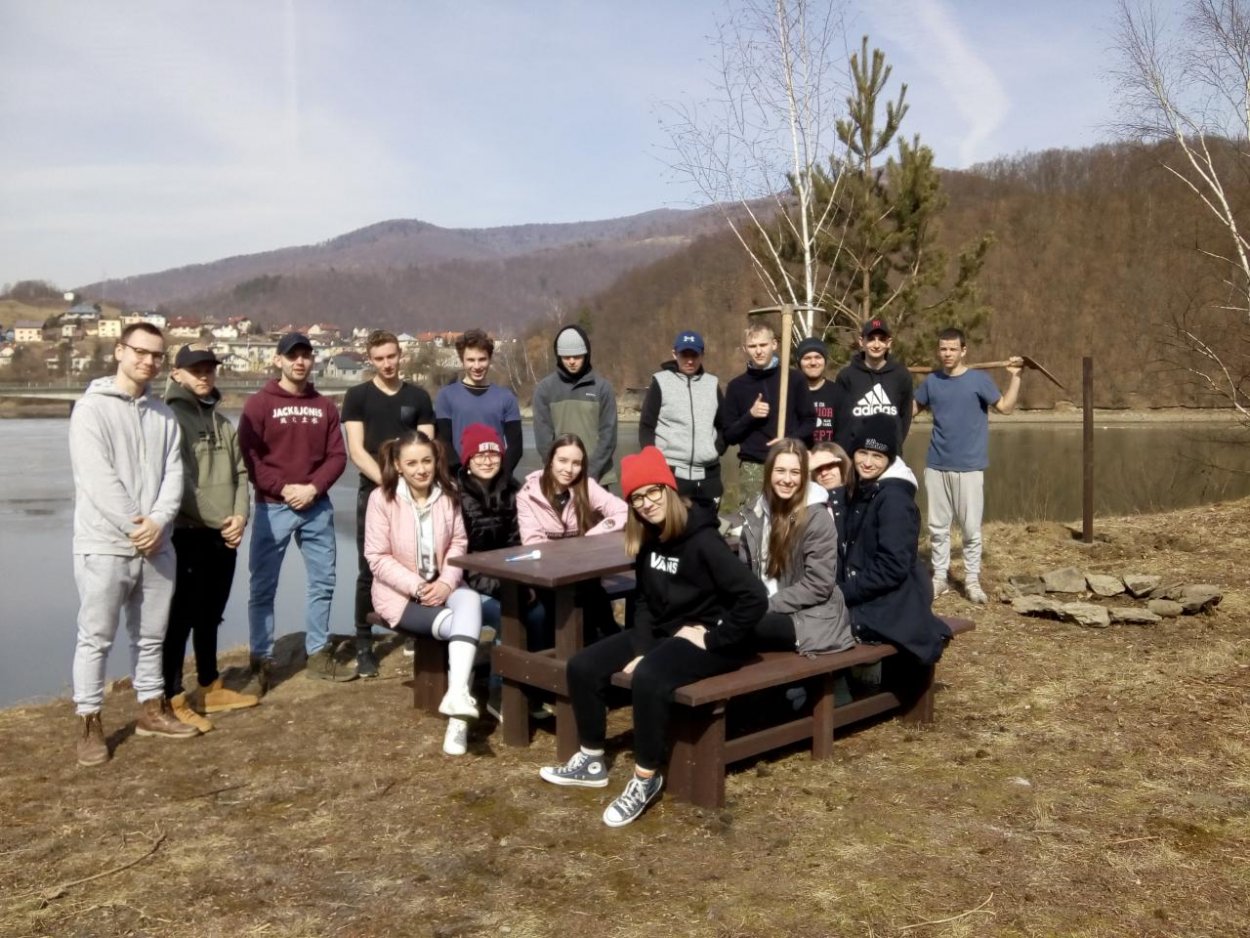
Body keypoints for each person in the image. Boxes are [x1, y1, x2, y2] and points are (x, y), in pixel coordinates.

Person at [538, 446, 768, 828]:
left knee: (648, 678)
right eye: (636, 498)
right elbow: (643, 599)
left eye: (652, 492)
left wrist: (714, 639)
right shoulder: (647, 537)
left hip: (711, 640)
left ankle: (646, 776)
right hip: (665, 633)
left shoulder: (703, 540)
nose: (645, 504)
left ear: (669, 489)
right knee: (582, 665)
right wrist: (643, 647)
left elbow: (753, 598)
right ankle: (592, 757)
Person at [70, 322, 198, 767]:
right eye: (140, 352)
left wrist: (159, 521)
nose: (148, 361)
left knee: (151, 636)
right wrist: (133, 525)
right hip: (105, 544)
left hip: (157, 545)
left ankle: (151, 709)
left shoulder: (164, 416)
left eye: (156, 355)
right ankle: (89, 720)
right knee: (96, 637)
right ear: (120, 352)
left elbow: (173, 476)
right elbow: (96, 477)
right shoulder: (90, 410)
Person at [239, 331, 350, 690]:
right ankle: (261, 659)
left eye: (305, 355)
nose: (299, 361)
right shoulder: (258, 405)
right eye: (292, 356)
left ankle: (317, 652)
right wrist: (282, 488)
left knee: (324, 581)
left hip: (316, 507)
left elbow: (337, 456)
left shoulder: (326, 407)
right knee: (263, 586)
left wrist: (313, 488)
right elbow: (250, 457)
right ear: (278, 360)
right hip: (273, 507)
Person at [364, 430, 483, 756]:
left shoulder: (449, 494)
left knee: (470, 600)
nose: (421, 469)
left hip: (444, 585)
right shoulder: (382, 499)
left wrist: (446, 582)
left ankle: (456, 695)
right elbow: (376, 557)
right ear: (399, 466)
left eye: (427, 461)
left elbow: (459, 543)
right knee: (465, 628)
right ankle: (458, 721)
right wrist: (416, 586)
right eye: (412, 463)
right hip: (400, 596)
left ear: (436, 461)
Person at [161, 343, 258, 733]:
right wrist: (223, 520)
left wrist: (240, 517)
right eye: (195, 370)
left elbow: (240, 473)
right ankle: (171, 695)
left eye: (209, 369)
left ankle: (209, 684)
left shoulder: (222, 421)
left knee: (210, 615)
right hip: (187, 534)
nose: (204, 375)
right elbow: (180, 484)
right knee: (179, 619)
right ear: (177, 374)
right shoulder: (169, 419)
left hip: (223, 533)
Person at [341, 329, 435, 677]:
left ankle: (414, 630)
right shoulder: (357, 396)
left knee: (416, 562)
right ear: (371, 359)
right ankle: (364, 643)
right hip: (376, 494)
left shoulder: (419, 396)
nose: (387, 364)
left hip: (416, 494)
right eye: (379, 358)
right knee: (370, 568)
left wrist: (411, 483)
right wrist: (390, 483)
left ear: (400, 355)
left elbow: (427, 447)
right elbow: (357, 450)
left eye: (391, 356)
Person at [912, 328, 1023, 603]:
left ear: (964, 351)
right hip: (937, 464)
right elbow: (908, 410)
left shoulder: (979, 381)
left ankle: (972, 581)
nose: (947, 354)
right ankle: (940, 578)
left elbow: (1006, 407)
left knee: (971, 529)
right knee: (938, 528)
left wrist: (1016, 377)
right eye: (943, 349)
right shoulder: (932, 382)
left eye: (952, 349)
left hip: (969, 466)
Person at [838, 414, 951, 666]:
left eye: (877, 456)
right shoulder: (866, 489)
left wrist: (842, 593)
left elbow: (892, 568)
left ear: (890, 459)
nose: (867, 462)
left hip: (887, 608)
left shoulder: (894, 501)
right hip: (871, 599)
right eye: (862, 452)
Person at [455, 422, 547, 718]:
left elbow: (519, 545)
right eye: (479, 455)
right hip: (467, 583)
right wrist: (503, 589)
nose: (486, 459)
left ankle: (534, 686)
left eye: (493, 453)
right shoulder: (455, 495)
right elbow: (460, 556)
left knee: (541, 613)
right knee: (508, 614)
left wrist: (524, 583)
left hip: (508, 575)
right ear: (467, 460)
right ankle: (500, 691)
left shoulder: (514, 489)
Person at [737, 439, 853, 656]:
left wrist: (766, 605)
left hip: (810, 616)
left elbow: (818, 584)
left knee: (742, 628)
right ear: (769, 472)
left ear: (803, 477)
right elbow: (744, 571)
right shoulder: (756, 513)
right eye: (780, 470)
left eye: (795, 472)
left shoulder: (816, 517)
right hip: (764, 605)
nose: (787, 479)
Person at [517, 433, 628, 646]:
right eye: (563, 461)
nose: (569, 469)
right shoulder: (528, 494)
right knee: (582, 601)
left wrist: (592, 536)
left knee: (592, 593)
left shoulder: (586, 486)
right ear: (550, 460)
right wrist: (575, 550)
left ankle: (608, 645)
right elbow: (534, 544)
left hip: (582, 574)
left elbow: (623, 511)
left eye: (576, 463)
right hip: (547, 577)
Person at [720, 321, 815, 492]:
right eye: (752, 346)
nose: (758, 351)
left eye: (763, 345)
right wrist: (750, 416)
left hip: (790, 462)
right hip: (754, 468)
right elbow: (729, 435)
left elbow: (810, 421)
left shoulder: (794, 379)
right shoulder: (736, 386)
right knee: (753, 517)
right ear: (745, 349)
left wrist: (790, 440)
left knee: (792, 517)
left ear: (774, 344)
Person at [638, 329, 726, 503]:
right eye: (684, 355)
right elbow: (646, 427)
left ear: (702, 355)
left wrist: (716, 449)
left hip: (708, 476)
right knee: (673, 529)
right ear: (674, 353)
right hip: (671, 473)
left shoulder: (712, 384)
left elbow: (723, 425)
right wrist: (654, 460)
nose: (690, 360)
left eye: (695, 355)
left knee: (707, 528)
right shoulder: (660, 383)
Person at [532, 324, 618, 486]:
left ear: (586, 355)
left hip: (597, 479)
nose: (571, 361)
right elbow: (544, 439)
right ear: (558, 356)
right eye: (566, 357)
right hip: (559, 479)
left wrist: (590, 471)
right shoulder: (544, 389)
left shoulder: (602, 388)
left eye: (577, 356)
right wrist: (561, 470)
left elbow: (608, 436)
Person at [434, 328, 522, 478]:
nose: (477, 366)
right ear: (462, 360)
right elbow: (444, 443)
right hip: (459, 478)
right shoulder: (446, 396)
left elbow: (516, 446)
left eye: (482, 359)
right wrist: (461, 476)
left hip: (496, 478)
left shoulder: (506, 397)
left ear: (490, 359)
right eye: (471, 360)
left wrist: (502, 477)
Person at [832, 318, 914, 456]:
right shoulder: (846, 376)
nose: (876, 345)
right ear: (861, 342)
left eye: (882, 339)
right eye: (871, 339)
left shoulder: (902, 375)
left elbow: (905, 416)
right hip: (855, 455)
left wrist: (896, 442)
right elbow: (840, 420)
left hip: (890, 454)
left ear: (889, 343)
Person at [808, 441, 854, 549]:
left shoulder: (860, 498)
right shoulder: (809, 504)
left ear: (842, 465)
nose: (824, 473)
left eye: (830, 466)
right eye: (818, 468)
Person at [795, 337, 839, 447]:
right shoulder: (791, 393)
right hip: (798, 458)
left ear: (825, 361)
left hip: (829, 458)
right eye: (807, 358)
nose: (813, 362)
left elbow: (844, 432)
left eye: (818, 357)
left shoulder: (838, 392)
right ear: (799, 363)